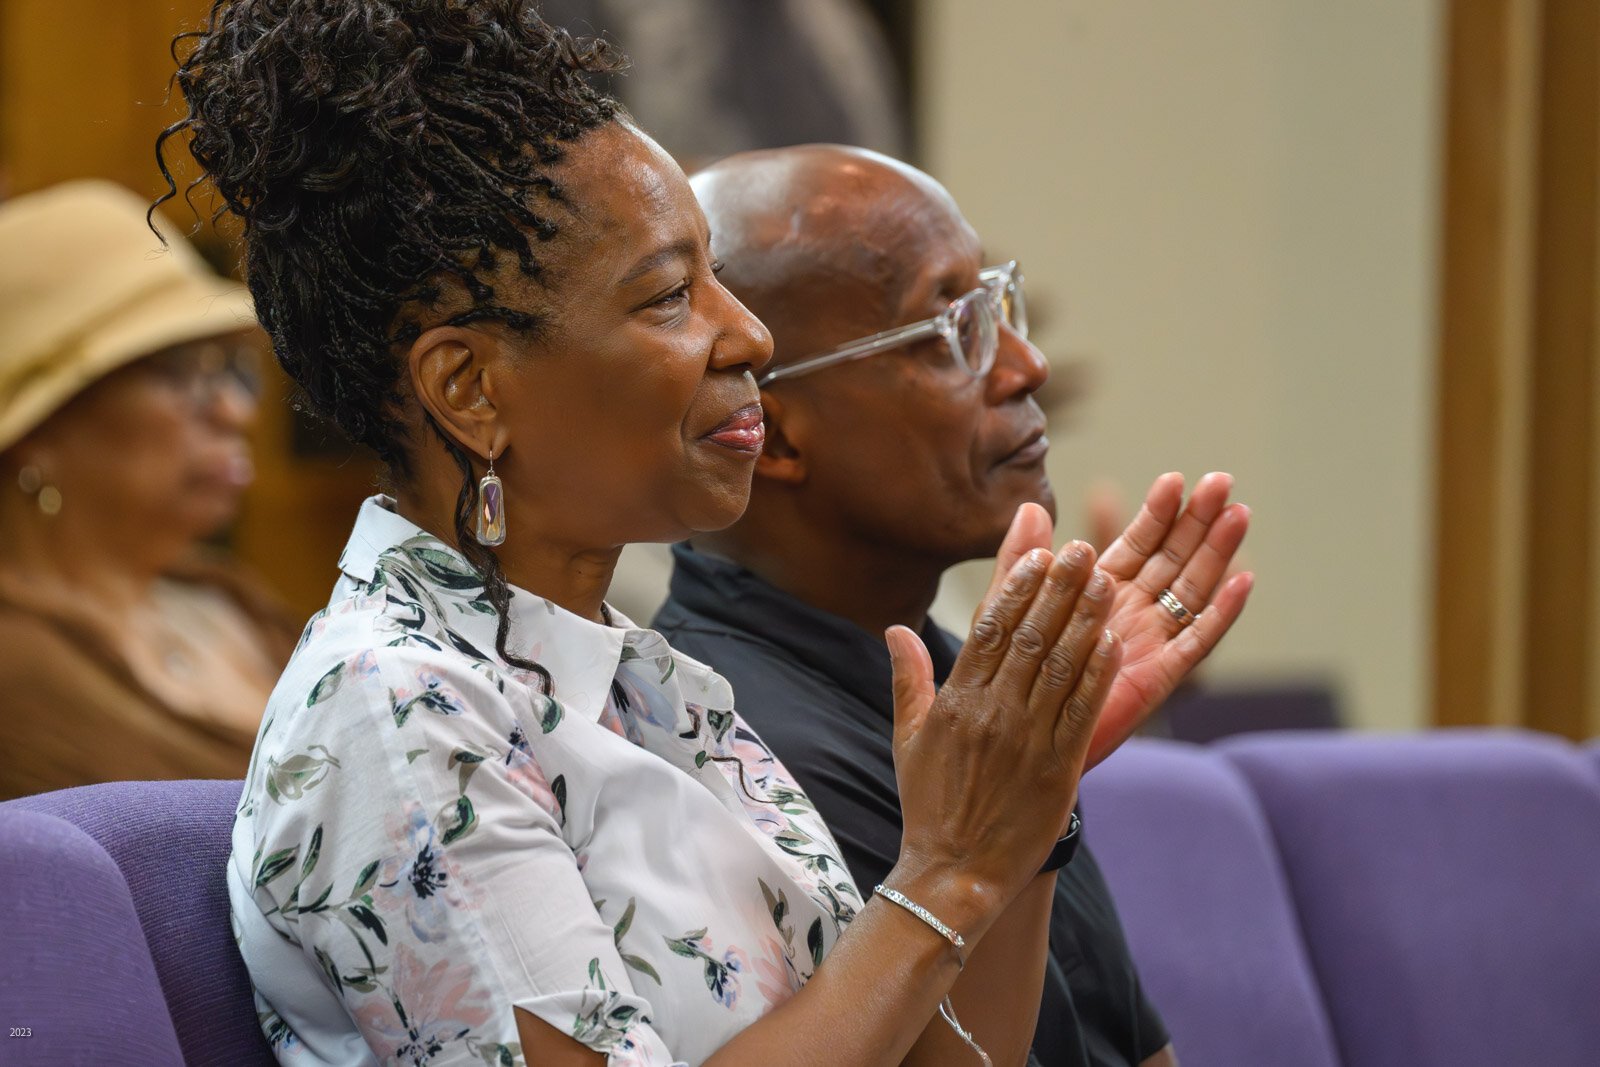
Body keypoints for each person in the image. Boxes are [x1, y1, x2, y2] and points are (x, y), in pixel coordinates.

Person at [169, 4, 1170, 1064]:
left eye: (719, 280)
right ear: (469, 388)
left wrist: (1020, 814)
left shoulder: (650, 682)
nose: (748, 334)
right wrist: (946, 872)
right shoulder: (399, 709)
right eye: (667, 297)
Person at [654, 145, 1256, 1066]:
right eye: (951, 329)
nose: (1026, 364)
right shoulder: (719, 737)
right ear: (772, 433)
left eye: (999, 306)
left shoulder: (963, 687)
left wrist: (1044, 773)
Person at [0, 179, 295, 800]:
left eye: (233, 369)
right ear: (38, 429)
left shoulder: (233, 601)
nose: (235, 413)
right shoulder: (17, 676)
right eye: (182, 371)